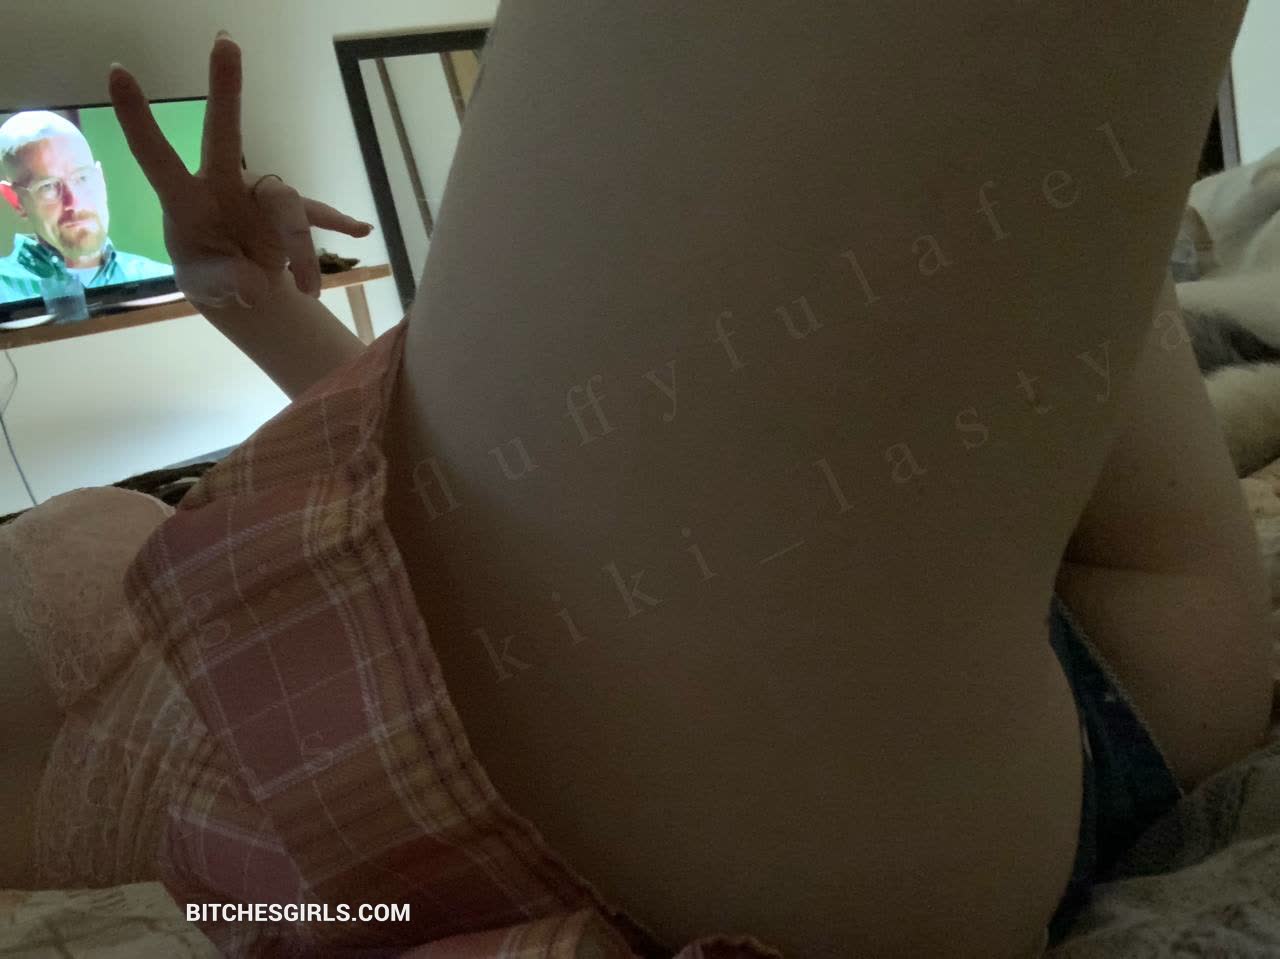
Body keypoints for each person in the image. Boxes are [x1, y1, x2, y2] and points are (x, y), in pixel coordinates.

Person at [0, 8, 1275, 957]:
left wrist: (249, 304)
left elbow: (397, 543)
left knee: (1052, 203)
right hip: (758, 787)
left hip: (1100, 662)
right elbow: (310, 863)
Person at [0, 110, 172, 302]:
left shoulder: (165, 281)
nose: (74, 202)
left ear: (101, 179)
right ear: (16, 200)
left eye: (82, 178)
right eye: (47, 186)